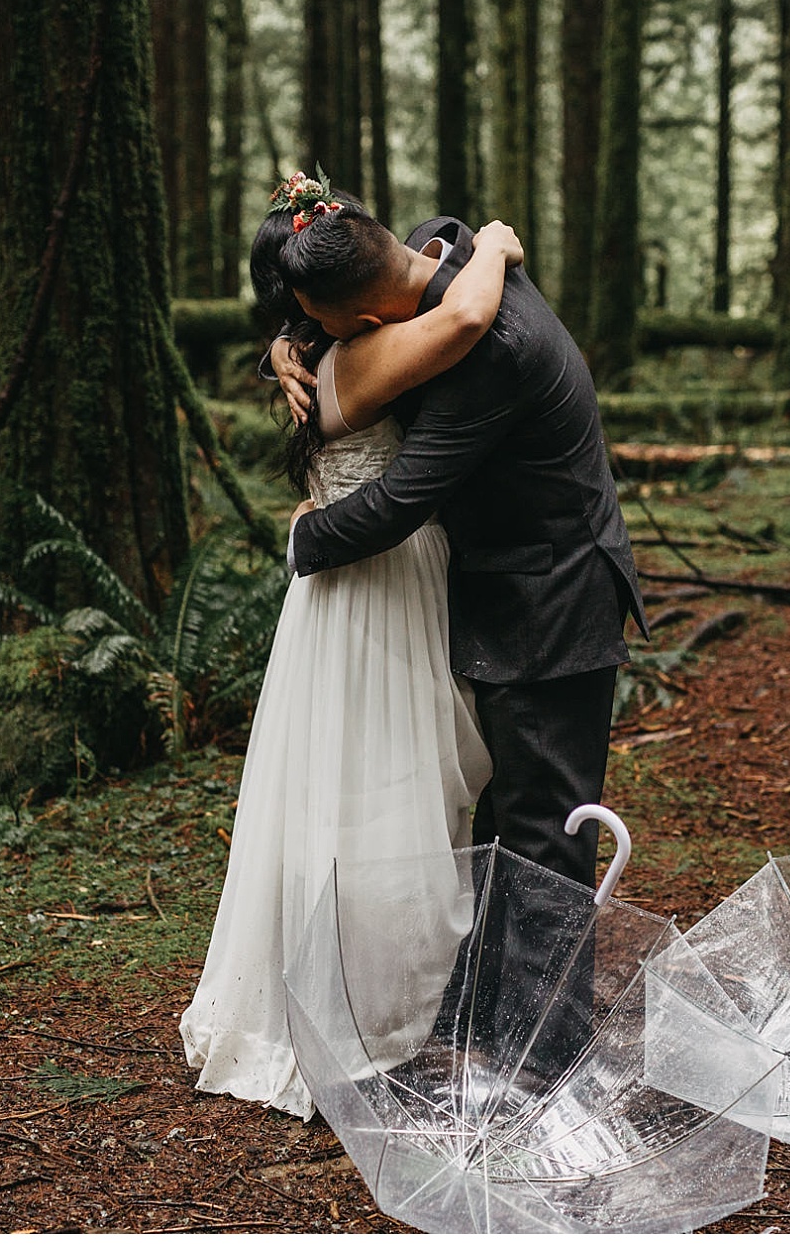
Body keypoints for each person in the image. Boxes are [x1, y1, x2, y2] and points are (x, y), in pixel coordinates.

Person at [271, 183, 648, 1082]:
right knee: (502, 817)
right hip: (505, 586)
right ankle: (483, 1025)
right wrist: (285, 347)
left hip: (555, 596)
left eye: (331, 331)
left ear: (369, 316)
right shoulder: (439, 250)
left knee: (549, 827)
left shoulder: (494, 351)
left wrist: (301, 537)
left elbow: (404, 500)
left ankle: (542, 1060)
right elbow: (452, 245)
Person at [178, 174, 524, 1119]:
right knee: (386, 778)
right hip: (381, 570)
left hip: (351, 582)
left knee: (348, 778)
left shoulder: (319, 351)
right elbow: (459, 324)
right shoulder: (366, 358)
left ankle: (367, 979)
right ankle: (375, 1006)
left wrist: (280, 343)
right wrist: (490, 241)